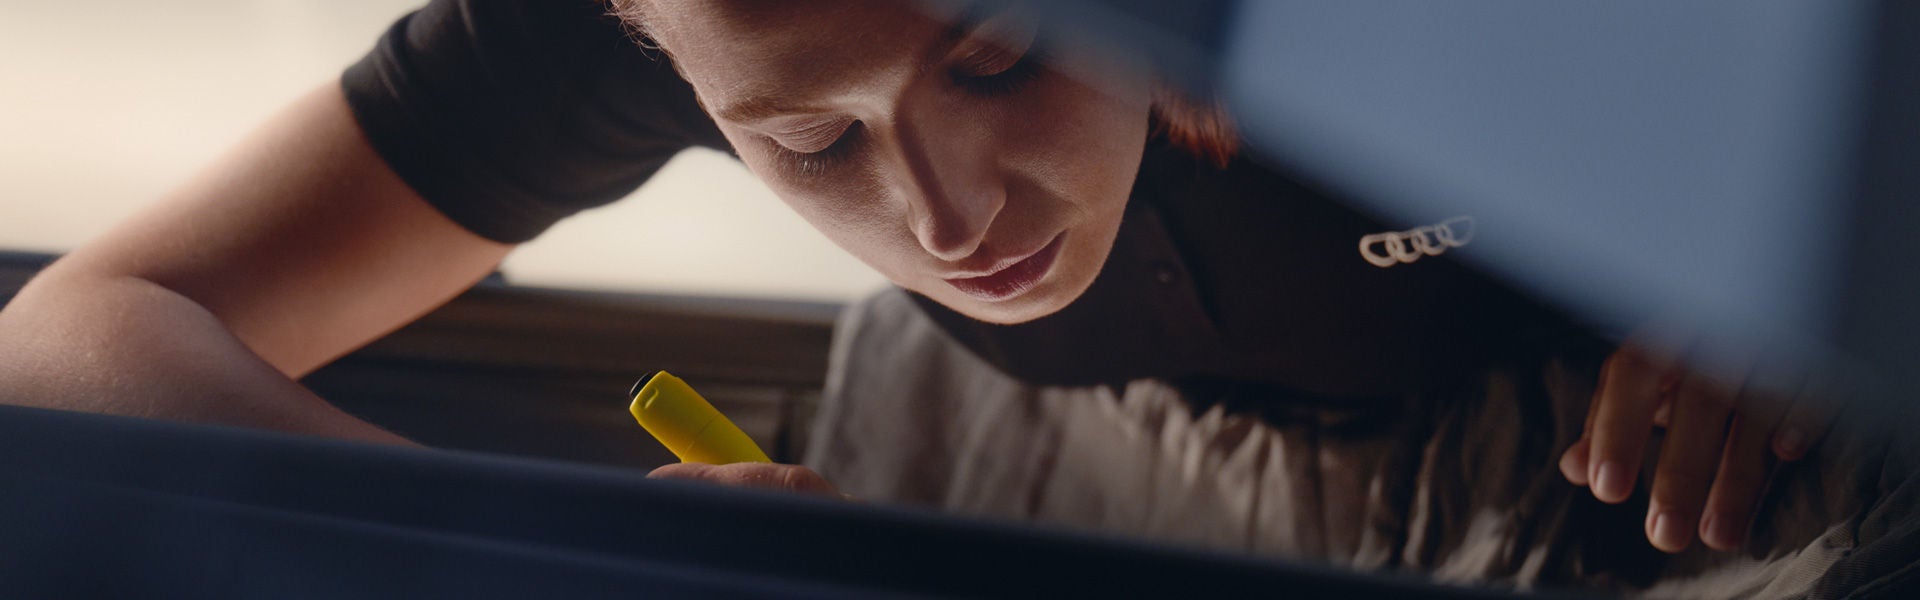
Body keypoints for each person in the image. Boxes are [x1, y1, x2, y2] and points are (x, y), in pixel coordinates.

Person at [0, 0, 1901, 596]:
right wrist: (558, 554)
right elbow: (66, 341)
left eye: (997, 59)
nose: (947, 211)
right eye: (806, 145)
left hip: (1608, 447)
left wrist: (1810, 275)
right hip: (1069, 447)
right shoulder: (582, 33)